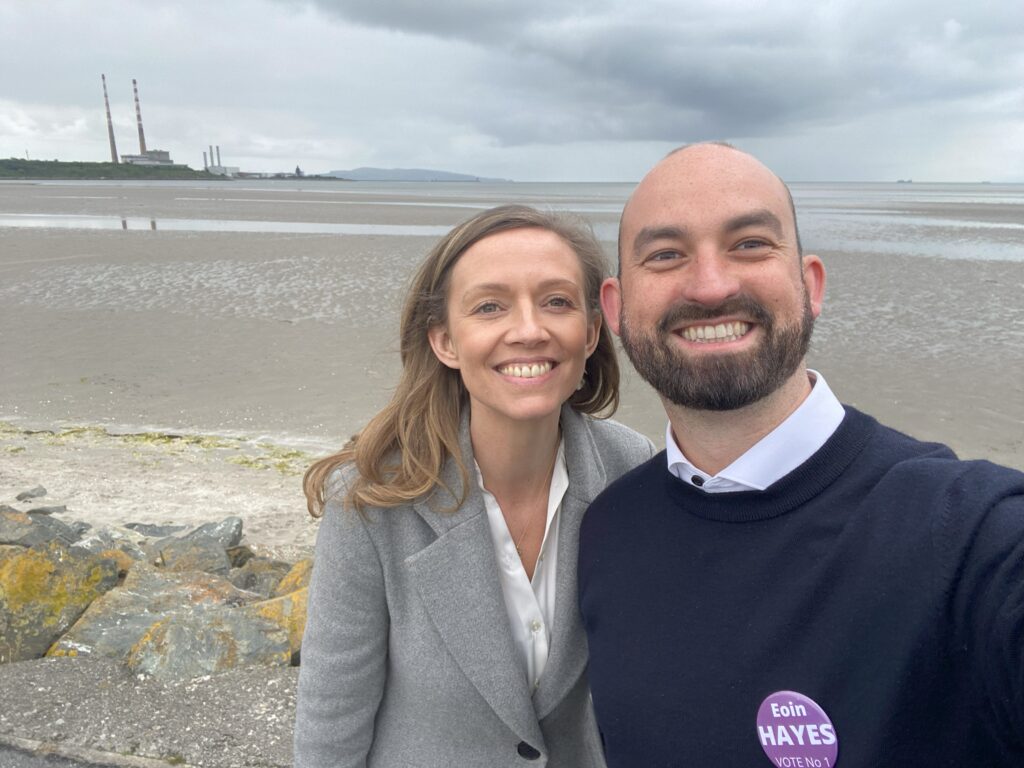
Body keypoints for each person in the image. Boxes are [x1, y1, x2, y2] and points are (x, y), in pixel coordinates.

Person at [579, 143, 1024, 767]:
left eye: (750, 244)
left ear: (810, 284)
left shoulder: (968, 530)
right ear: (617, 309)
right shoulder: (607, 529)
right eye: (666, 255)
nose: (710, 286)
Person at [294, 204, 654, 767]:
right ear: (445, 342)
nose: (530, 330)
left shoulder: (631, 467)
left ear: (590, 331)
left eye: (557, 301)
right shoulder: (369, 499)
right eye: (490, 307)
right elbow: (331, 722)